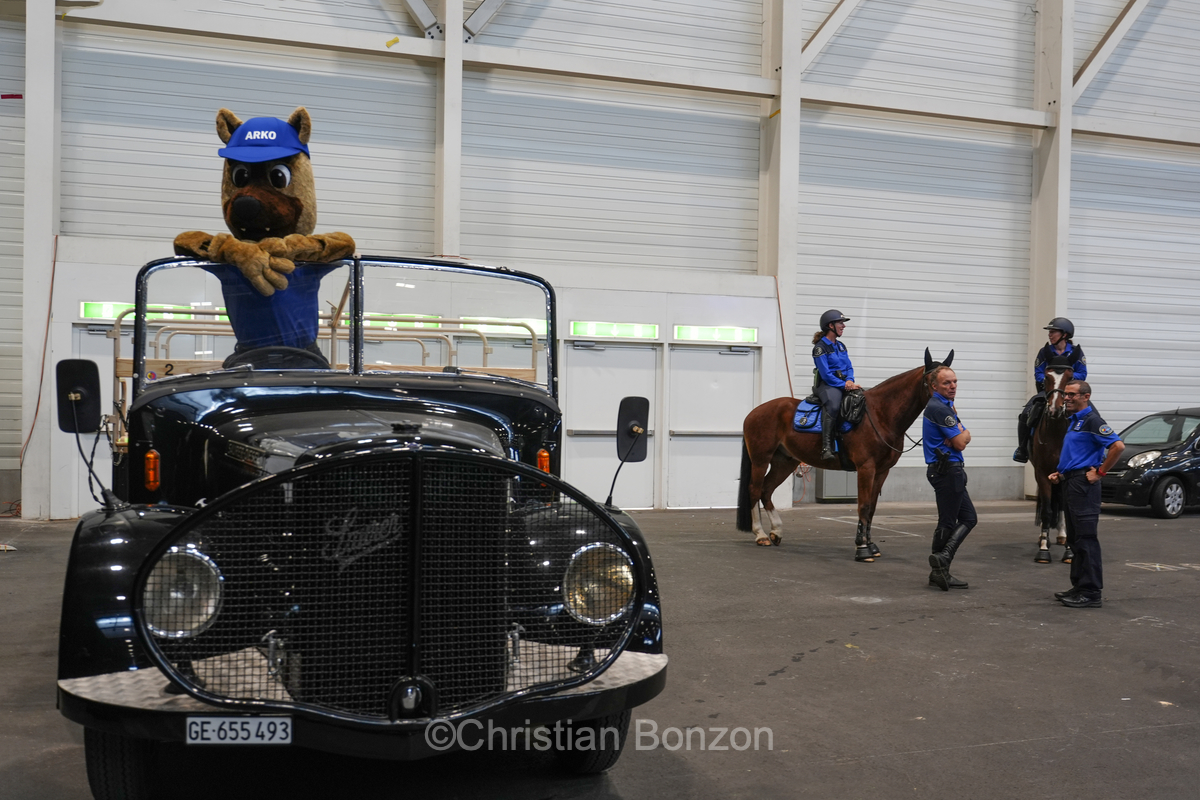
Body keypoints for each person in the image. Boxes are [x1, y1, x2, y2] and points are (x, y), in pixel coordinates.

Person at [1047, 380, 1124, 608]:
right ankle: (1079, 586)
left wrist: (1100, 472)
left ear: (1086, 397)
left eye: (1072, 395)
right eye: (1066, 394)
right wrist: (1061, 474)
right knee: (1074, 539)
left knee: (1086, 539)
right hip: (1071, 482)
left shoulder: (1092, 421)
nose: (1067, 398)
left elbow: (1117, 446)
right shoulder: (1075, 421)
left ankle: (1091, 593)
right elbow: (1076, 455)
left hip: (1084, 485)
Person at [923, 366, 977, 591]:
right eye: (946, 383)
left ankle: (941, 564)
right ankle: (941, 565)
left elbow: (963, 436)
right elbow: (961, 441)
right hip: (947, 471)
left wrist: (960, 433)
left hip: (949, 470)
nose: (952, 386)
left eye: (954, 381)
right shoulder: (940, 409)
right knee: (948, 521)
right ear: (934, 386)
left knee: (969, 518)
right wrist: (960, 434)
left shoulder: (946, 407)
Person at [1013, 317, 1087, 463]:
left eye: (1053, 332)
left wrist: (1066, 378)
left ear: (1064, 335)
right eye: (1050, 332)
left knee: (1092, 413)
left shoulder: (1076, 352)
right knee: (1026, 413)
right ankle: (1022, 448)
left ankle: (1098, 448)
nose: (1050, 335)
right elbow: (1038, 373)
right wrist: (1051, 380)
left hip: (1071, 392)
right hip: (1049, 390)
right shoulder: (1044, 352)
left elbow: (1082, 373)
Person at [812, 310, 861, 461]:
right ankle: (826, 447)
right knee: (833, 406)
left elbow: (849, 367)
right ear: (830, 326)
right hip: (827, 385)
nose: (843, 326)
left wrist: (850, 381)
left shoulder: (841, 346)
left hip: (844, 383)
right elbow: (826, 374)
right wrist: (844, 385)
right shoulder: (820, 348)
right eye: (840, 323)